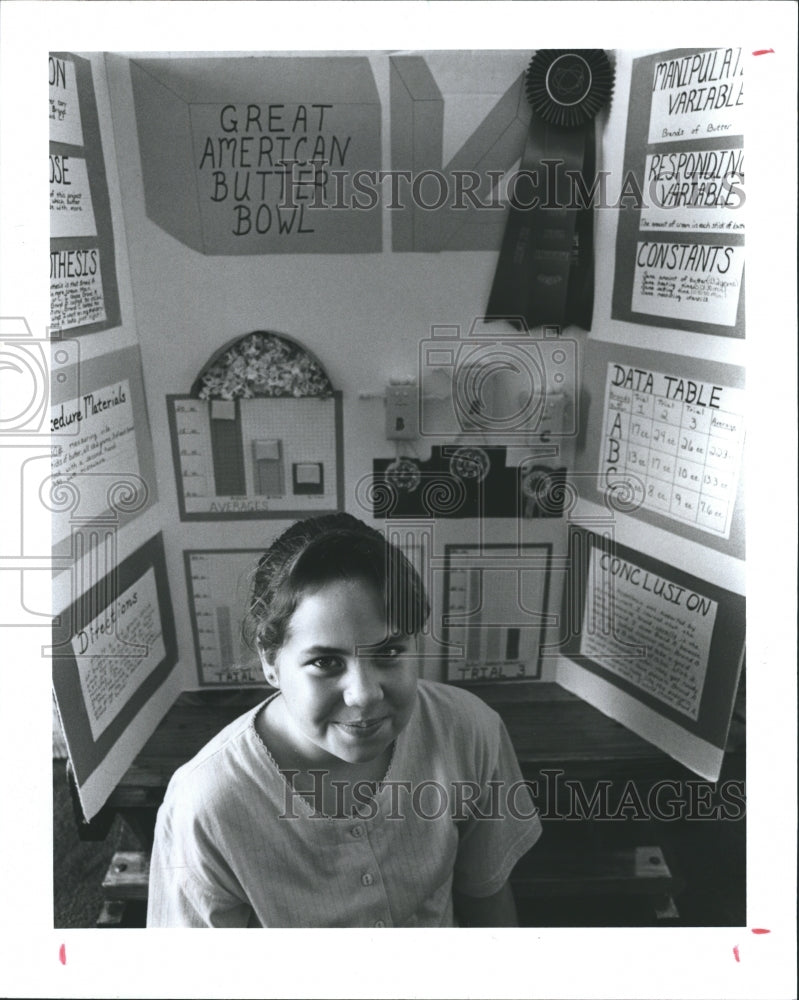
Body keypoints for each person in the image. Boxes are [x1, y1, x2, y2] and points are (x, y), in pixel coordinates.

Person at [147, 513, 541, 927]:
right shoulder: (206, 803)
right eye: (326, 662)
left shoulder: (468, 729)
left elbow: (487, 895)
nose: (365, 694)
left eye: (388, 653)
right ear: (270, 660)